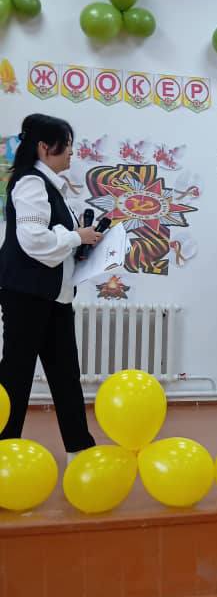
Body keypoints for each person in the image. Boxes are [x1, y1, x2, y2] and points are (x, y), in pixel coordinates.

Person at [0, 114, 102, 458]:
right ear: (45, 147)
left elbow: (56, 242)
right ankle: (5, 449)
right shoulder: (31, 182)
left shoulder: (52, 186)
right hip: (26, 295)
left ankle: (80, 450)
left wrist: (81, 242)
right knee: (16, 374)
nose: (72, 152)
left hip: (55, 296)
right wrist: (75, 237)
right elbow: (33, 240)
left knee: (65, 375)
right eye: (67, 145)